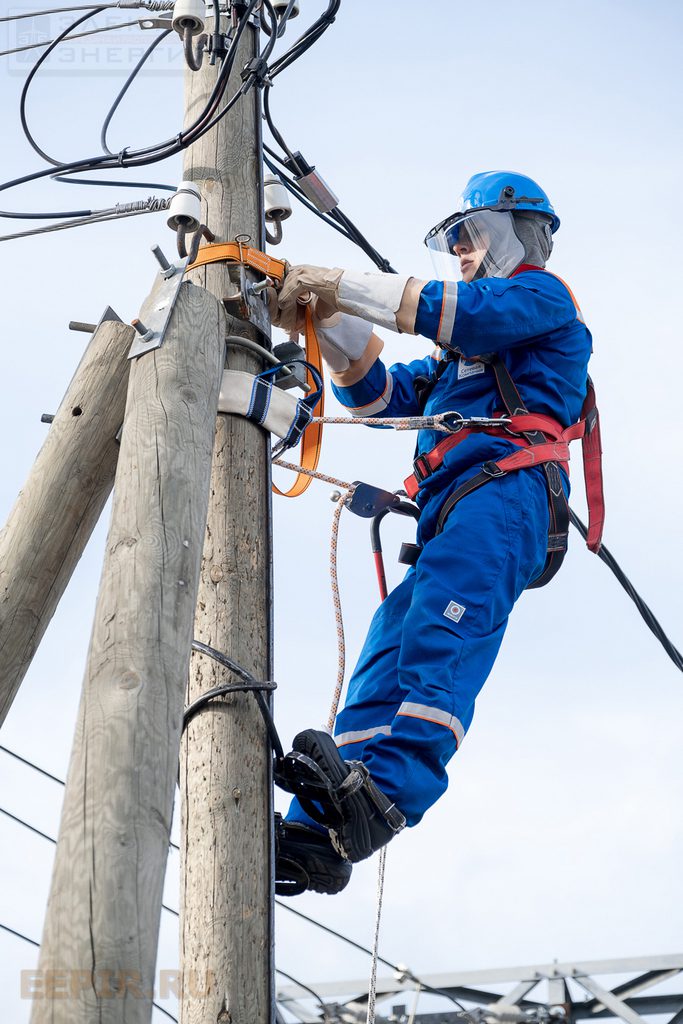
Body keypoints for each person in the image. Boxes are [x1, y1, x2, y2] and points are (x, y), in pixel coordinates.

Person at [272, 170, 594, 897]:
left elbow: (452, 312)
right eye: (454, 244)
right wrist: (327, 317)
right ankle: (317, 828)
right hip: (456, 513)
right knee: (389, 649)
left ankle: (387, 797)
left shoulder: (543, 300)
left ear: (516, 234)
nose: (461, 252)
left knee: (439, 644)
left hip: (505, 496)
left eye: (470, 238)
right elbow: (379, 397)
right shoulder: (460, 357)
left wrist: (339, 281)